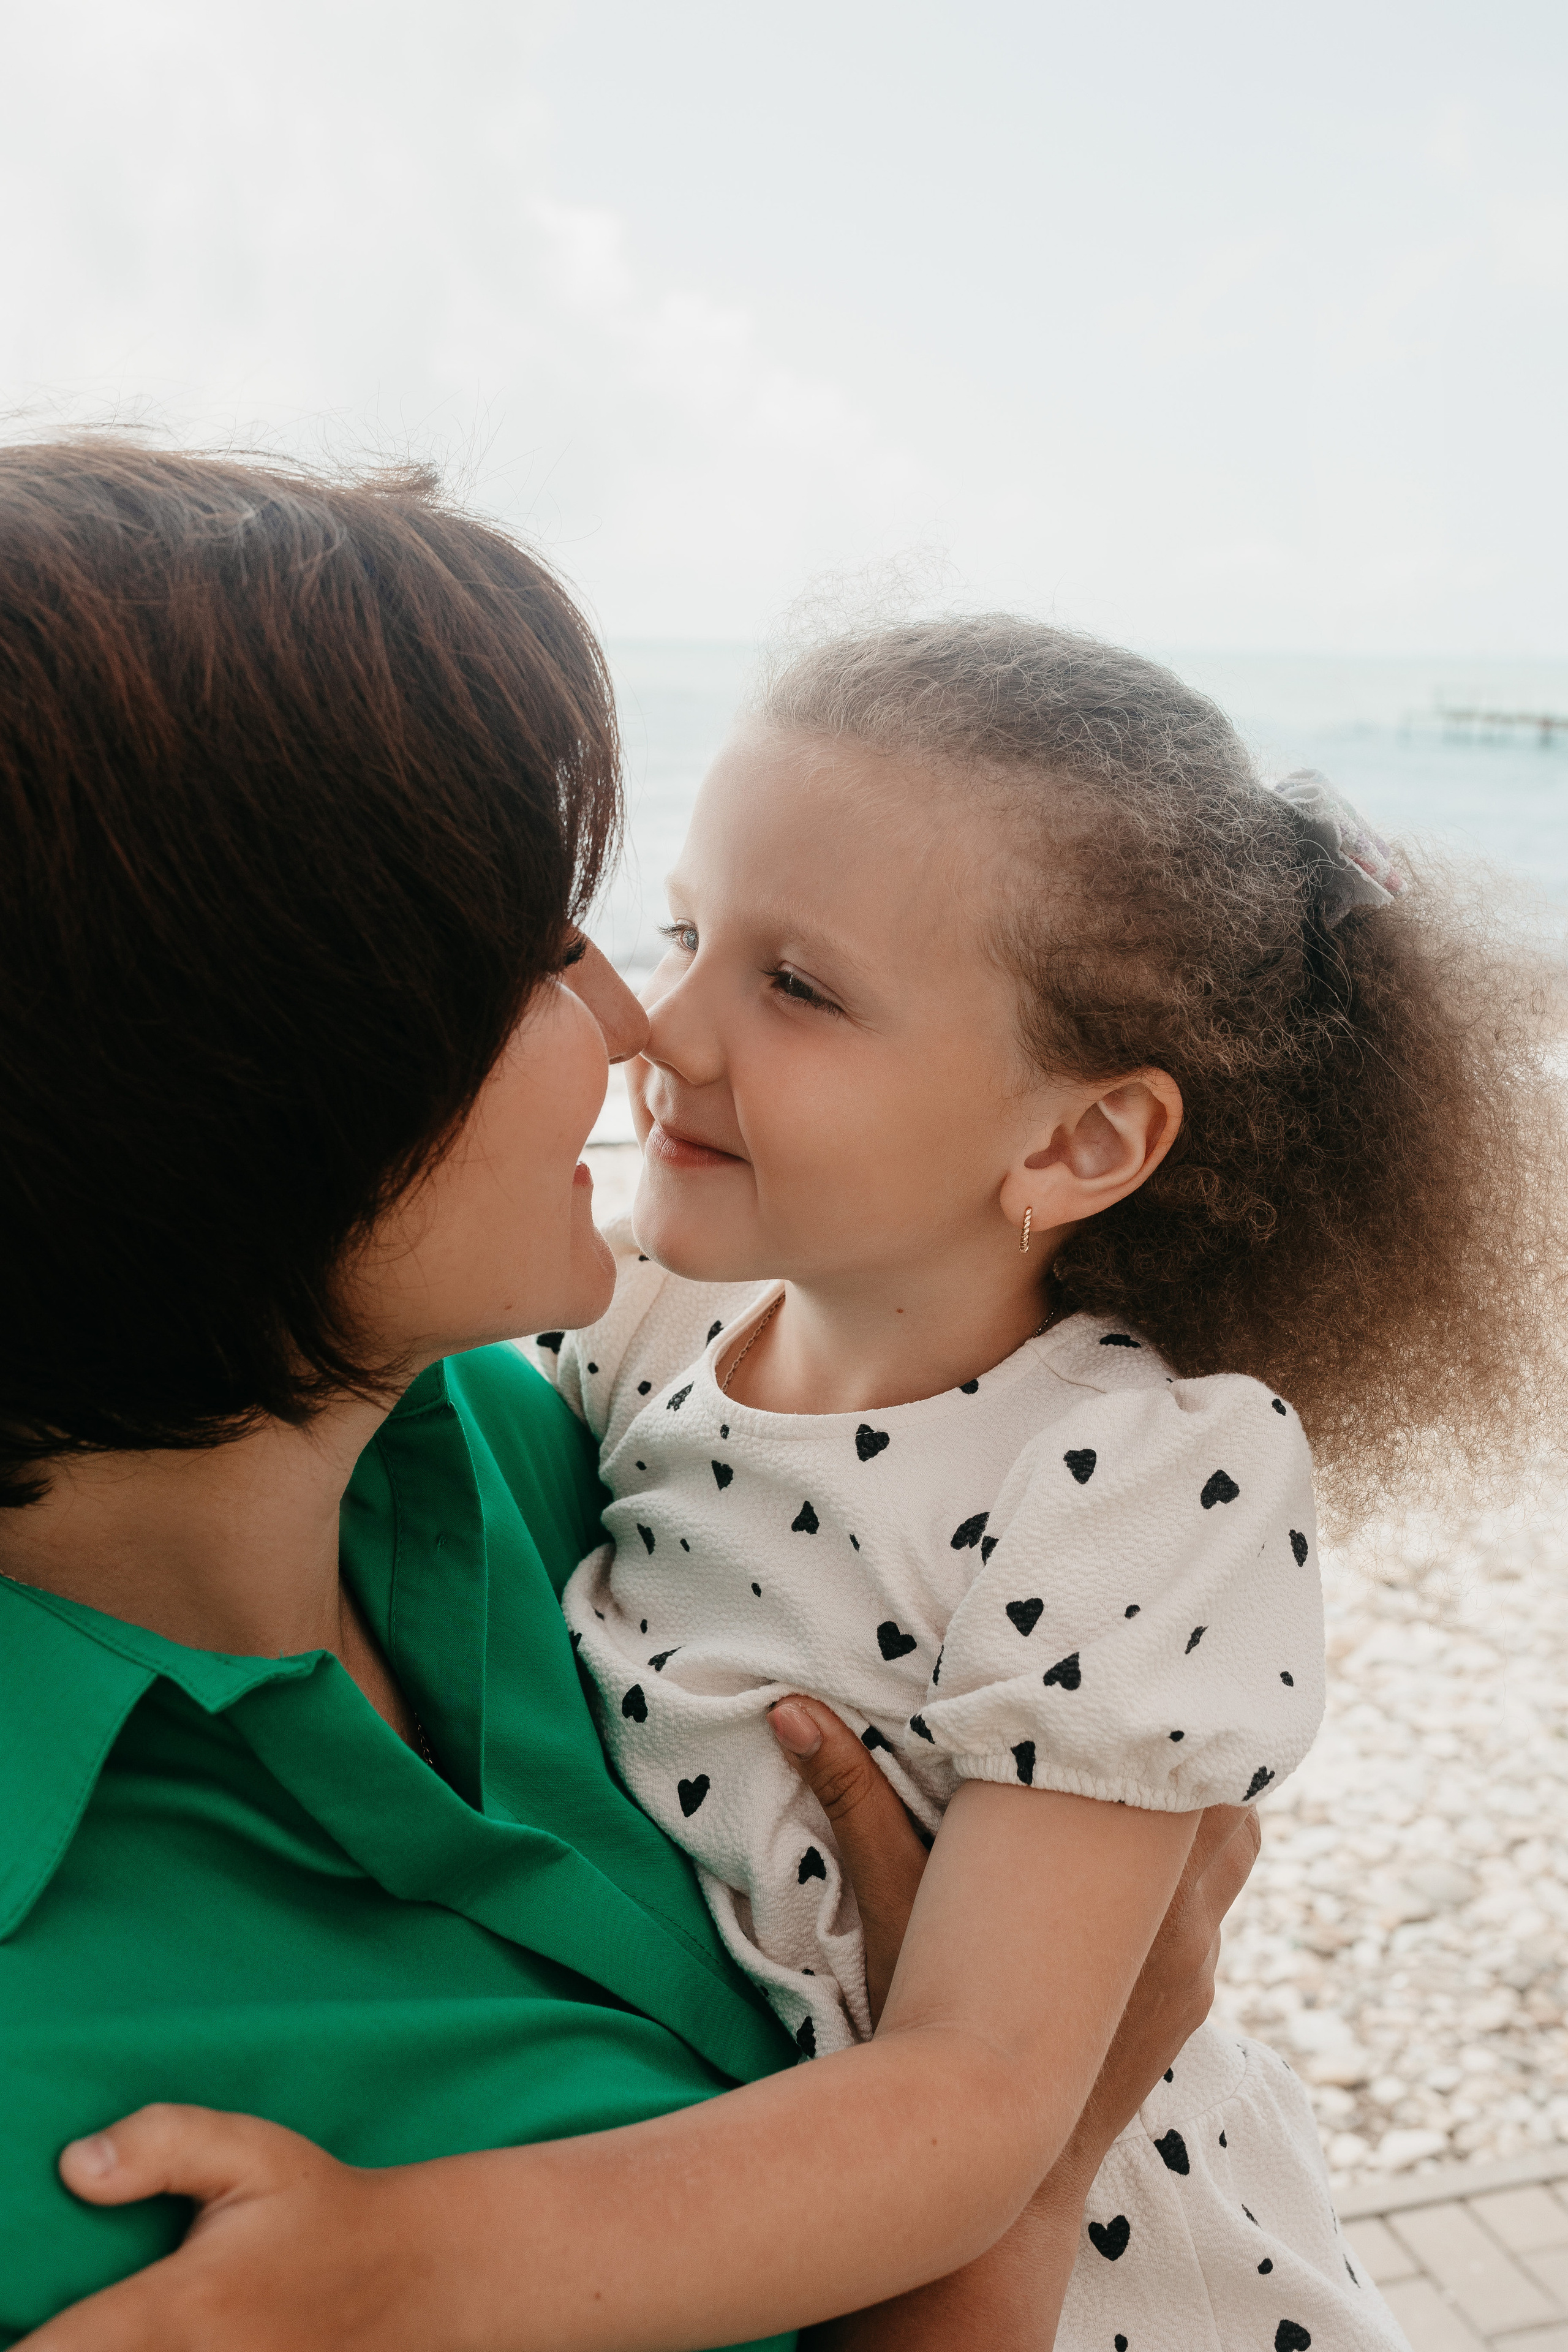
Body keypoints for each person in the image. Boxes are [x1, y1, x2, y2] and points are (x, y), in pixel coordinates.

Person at [0, 440, 1258, 2352]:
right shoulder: (75, 2124)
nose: (634, 1020)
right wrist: (1063, 2123)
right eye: (531, 951)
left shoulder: (547, 1444)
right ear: (224, 1092)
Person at [537, 619, 1561, 2348]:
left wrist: (391, 2261)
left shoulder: (1135, 1474)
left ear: (1078, 1142)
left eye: (799, 987)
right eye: (687, 930)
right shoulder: (642, 1319)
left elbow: (979, 2097)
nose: (662, 1022)